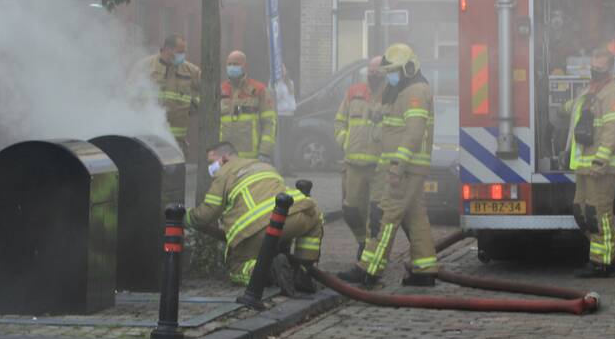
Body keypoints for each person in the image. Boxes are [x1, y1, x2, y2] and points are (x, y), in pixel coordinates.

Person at [338, 43, 438, 288]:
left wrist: (397, 166)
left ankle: (369, 269)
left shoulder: (415, 92)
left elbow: (413, 134)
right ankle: (425, 269)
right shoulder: (404, 90)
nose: (389, 76)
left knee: (385, 218)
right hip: (405, 168)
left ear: (409, 68)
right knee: (415, 218)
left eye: (393, 71)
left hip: (403, 170)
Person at [185, 142, 322, 294]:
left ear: (224, 158)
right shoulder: (263, 165)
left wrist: (183, 217)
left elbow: (206, 215)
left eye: (211, 162)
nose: (210, 167)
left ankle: (268, 271)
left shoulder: (223, 174)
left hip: (256, 230)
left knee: (236, 267)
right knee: (314, 218)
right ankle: (303, 271)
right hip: (295, 215)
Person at [566, 46, 615, 278]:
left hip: (601, 167)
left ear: (609, 68)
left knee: (597, 214)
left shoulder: (614, 95)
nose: (595, 70)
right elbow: (573, 112)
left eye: (599, 67)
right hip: (583, 166)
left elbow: (613, 130)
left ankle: (601, 263)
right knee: (581, 212)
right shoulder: (590, 92)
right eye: (592, 65)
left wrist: (600, 160)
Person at [334, 56, 384, 258]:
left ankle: (372, 253)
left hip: (379, 167)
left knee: (377, 214)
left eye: (377, 73)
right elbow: (339, 122)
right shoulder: (354, 92)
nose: (373, 76)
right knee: (351, 210)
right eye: (370, 72)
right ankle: (362, 241)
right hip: (353, 164)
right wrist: (346, 142)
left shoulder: (393, 95)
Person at [127, 34, 200, 157]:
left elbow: (210, 91)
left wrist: (195, 104)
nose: (182, 56)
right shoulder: (144, 67)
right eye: (179, 52)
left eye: (183, 52)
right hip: (149, 140)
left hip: (176, 143)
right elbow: (130, 96)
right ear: (167, 50)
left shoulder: (190, 71)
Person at [220, 51, 277, 161]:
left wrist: (264, 153)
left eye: (236, 64)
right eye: (229, 64)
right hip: (225, 158)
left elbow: (270, 124)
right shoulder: (221, 90)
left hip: (251, 159)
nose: (232, 67)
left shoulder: (259, 90)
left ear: (244, 66)